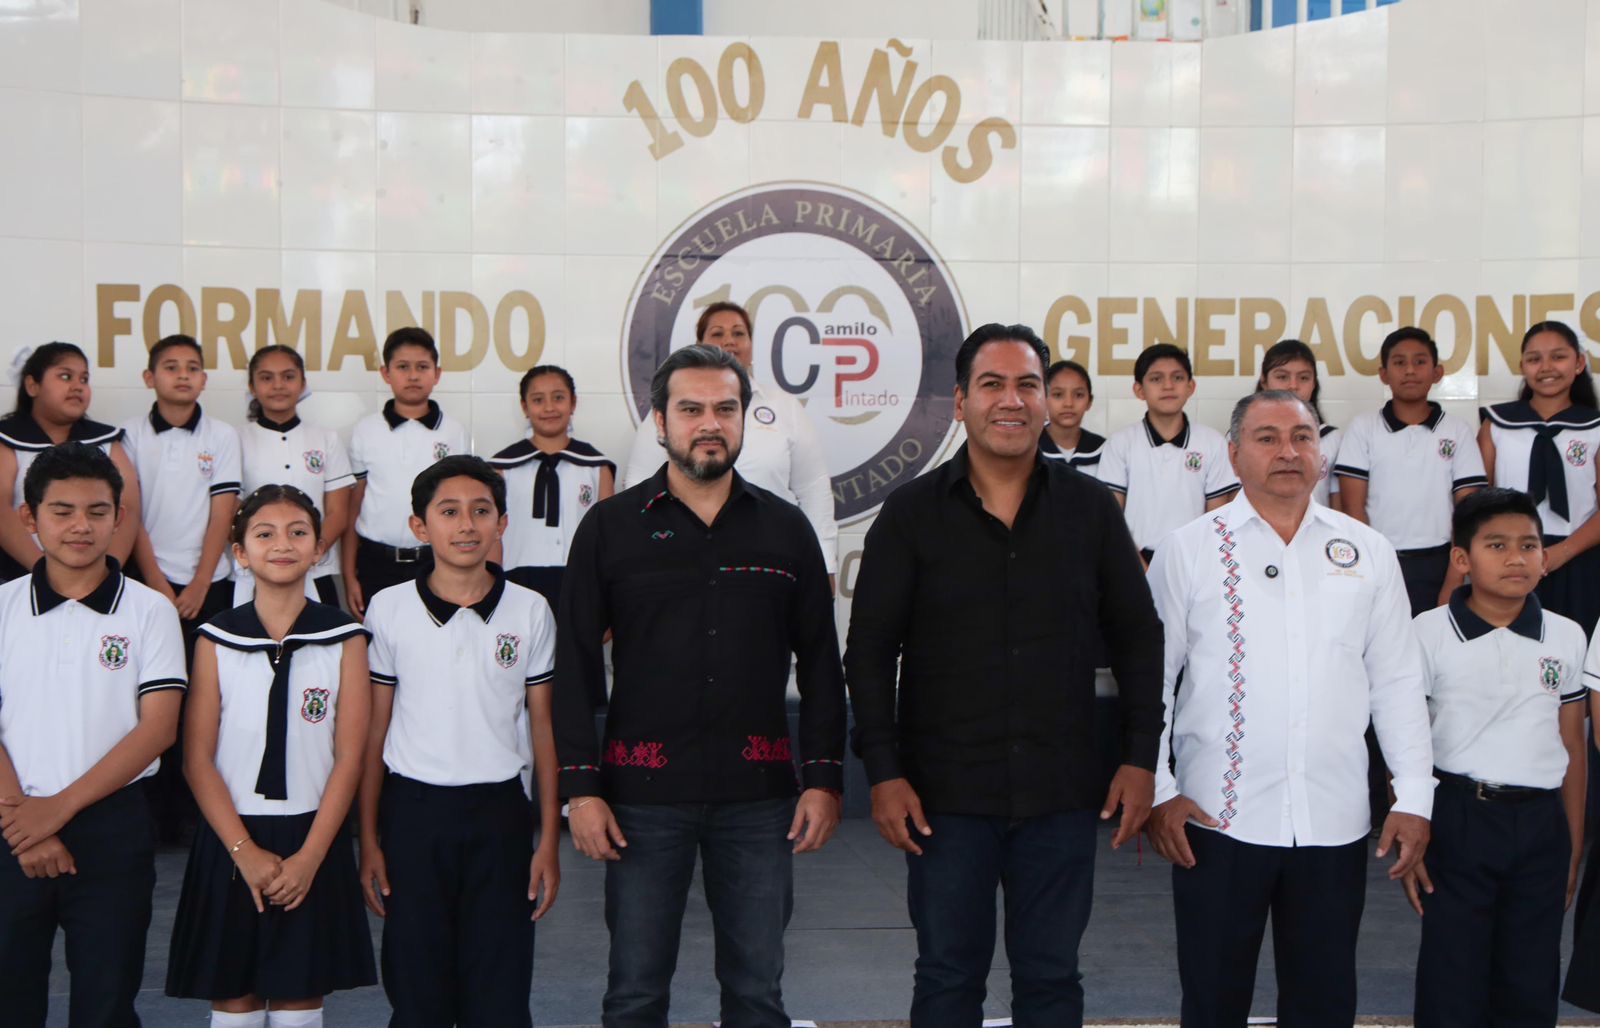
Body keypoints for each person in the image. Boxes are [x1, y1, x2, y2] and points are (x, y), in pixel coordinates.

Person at [845, 324, 1164, 1026]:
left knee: (1052, 979)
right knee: (947, 977)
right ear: (961, 402)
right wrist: (883, 773)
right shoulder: (911, 514)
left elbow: (1139, 637)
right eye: (992, 384)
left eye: (1028, 385)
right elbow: (868, 651)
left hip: (1061, 793)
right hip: (942, 798)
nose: (1011, 400)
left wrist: (1141, 757)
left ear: (1047, 401)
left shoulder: (1089, 511)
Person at [554, 344, 846, 1028]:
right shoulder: (610, 528)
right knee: (634, 995)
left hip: (759, 799)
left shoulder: (787, 529)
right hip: (640, 799)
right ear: (660, 422)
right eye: (691, 409)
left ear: (745, 419)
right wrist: (581, 789)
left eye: (725, 408)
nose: (709, 423)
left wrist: (825, 780)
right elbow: (573, 663)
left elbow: (821, 663)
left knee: (757, 996)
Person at [1144, 390, 1434, 1027]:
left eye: (1302, 437)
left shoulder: (1367, 551)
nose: (1287, 451)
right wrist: (1160, 790)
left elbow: (1397, 681)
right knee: (1213, 1002)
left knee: (1323, 1004)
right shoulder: (1188, 549)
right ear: (1233, 454)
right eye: (1267, 437)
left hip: (1333, 820)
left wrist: (1414, 796)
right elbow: (1151, 681)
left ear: (1321, 454)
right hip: (1216, 821)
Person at [357, 455, 559, 1027]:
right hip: (414, 814)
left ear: (502, 523)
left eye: (481, 511)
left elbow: (542, 729)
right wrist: (368, 839)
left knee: (499, 986)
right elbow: (374, 730)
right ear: (420, 527)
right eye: (449, 512)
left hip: (501, 815)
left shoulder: (530, 609)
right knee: (417, 986)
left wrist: (548, 839)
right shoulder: (389, 608)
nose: (466, 525)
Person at [166, 485, 375, 1028]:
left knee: (299, 997)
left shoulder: (346, 638)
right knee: (233, 997)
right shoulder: (214, 638)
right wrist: (243, 851)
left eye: (298, 532)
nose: (282, 544)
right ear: (240, 552)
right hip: (232, 837)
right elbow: (197, 759)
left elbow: (349, 757)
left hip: (313, 834)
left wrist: (310, 858)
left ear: (319, 549)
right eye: (265, 534)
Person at [0, 442, 185, 1026]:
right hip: (11, 820)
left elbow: (158, 729)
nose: (80, 525)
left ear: (118, 517)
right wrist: (25, 820)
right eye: (62, 511)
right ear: (30, 517)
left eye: (97, 511)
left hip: (112, 827)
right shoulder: (2, 607)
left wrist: (54, 812)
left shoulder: (150, 611)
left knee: (106, 1002)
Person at [1404, 488, 1588, 1027]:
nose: (1516, 558)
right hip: (1458, 819)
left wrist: (1572, 846)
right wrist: (1413, 828)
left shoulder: (1566, 635)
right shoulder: (1427, 632)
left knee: (1530, 979)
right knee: (1451, 976)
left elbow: (1573, 746)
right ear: (1462, 559)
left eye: (1529, 545)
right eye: (1498, 545)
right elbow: (1408, 740)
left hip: (1541, 824)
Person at [620, 301, 839, 581]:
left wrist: (825, 564)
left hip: (769, 556)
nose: (729, 341)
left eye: (738, 333)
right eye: (717, 333)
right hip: (680, 558)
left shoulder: (785, 407)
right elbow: (639, 484)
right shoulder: (669, 410)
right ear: (700, 344)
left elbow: (813, 490)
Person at [1335, 327, 1487, 615]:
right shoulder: (1363, 428)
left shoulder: (1457, 431)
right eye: (1399, 362)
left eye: (1419, 361)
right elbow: (1353, 509)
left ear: (1437, 372)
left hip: (1441, 563)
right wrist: (1367, 569)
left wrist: (1453, 579)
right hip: (1380, 560)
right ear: (1384, 374)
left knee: (1435, 639)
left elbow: (1468, 511)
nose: (1409, 371)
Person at [1478, 320, 1600, 635]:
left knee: (1578, 645)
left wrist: (1561, 553)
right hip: (1509, 559)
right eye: (1534, 359)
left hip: (1579, 559)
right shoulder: (1497, 424)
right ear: (1522, 367)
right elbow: (1478, 504)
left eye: (1558, 357)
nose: (1546, 367)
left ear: (1579, 363)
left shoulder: (1594, 427)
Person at [343, 327, 471, 619]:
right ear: (386, 373)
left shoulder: (453, 432)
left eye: (422, 367)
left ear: (437, 374)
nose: (413, 376)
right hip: (376, 562)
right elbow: (354, 507)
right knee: (377, 642)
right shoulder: (366, 430)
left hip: (436, 561)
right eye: (403, 367)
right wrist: (349, 575)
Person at [124, 333, 243, 637]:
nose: (182, 375)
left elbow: (223, 514)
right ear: (149, 378)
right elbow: (129, 512)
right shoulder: (129, 435)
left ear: (203, 380)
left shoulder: (222, 435)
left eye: (192, 368)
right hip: (146, 576)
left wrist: (201, 582)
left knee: (205, 662)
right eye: (171, 367)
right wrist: (154, 579)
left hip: (209, 580)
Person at [0, 342, 141, 580]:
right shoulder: (7, 438)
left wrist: (103, 575)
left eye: (84, 379)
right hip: (19, 575)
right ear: (32, 385)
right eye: (65, 376)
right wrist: (48, 572)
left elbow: (130, 509)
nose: (77, 386)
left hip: (98, 580)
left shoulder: (106, 440)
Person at [486, 364, 614, 612]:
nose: (549, 408)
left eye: (558, 398)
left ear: (573, 403)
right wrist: (491, 587)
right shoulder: (501, 468)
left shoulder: (597, 466)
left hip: (580, 581)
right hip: (517, 582)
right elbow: (492, 536)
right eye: (538, 400)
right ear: (524, 407)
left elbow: (607, 538)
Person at [235, 345, 354, 608]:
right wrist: (263, 554)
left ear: (302, 383)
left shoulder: (326, 438)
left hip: (317, 569)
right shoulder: (235, 439)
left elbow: (338, 512)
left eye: (288, 377)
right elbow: (230, 509)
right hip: (254, 573)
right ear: (252, 386)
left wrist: (307, 551)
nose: (278, 385)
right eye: (267, 378)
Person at [1098, 343, 1237, 564]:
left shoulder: (1212, 442)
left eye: (1177, 378)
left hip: (1193, 560)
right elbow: (1111, 516)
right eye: (1156, 379)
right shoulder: (1120, 443)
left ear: (1191, 387)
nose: (1168, 386)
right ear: (1139, 390)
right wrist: (1138, 567)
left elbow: (1216, 519)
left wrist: (1199, 566)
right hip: (1133, 559)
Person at [1257, 339, 1342, 510]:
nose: (1293, 386)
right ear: (1264, 382)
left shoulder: (1332, 438)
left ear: (1314, 384)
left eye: (1303, 378)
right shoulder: (1244, 436)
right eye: (1282, 377)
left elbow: (1338, 510)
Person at [1039, 359, 1106, 474]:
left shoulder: (1104, 450)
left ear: (1089, 402)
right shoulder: (1029, 448)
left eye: (1078, 395)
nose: (1068, 403)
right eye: (1058, 395)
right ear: (1043, 400)